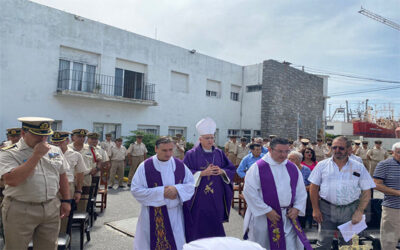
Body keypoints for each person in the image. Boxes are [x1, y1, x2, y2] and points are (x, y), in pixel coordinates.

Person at [0, 117, 71, 250]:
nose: (42, 139)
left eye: (45, 135)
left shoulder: (55, 150)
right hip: (20, 208)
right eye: (37, 135)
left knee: (49, 247)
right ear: (23, 133)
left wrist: (67, 200)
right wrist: (36, 156)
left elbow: (62, 176)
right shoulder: (9, 152)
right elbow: (11, 180)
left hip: (50, 206)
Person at [243, 138, 311, 249]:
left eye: (286, 151)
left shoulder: (292, 167)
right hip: (265, 217)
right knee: (264, 246)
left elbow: (301, 191)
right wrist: (266, 210)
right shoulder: (258, 168)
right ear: (269, 149)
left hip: (287, 216)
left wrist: (297, 208)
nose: (284, 155)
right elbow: (249, 192)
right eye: (280, 151)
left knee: (289, 246)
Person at [308, 136, 376, 249]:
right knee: (323, 243)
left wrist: (359, 211)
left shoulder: (358, 167)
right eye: (334, 147)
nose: (337, 150)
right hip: (326, 209)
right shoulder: (322, 165)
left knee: (347, 244)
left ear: (349, 149)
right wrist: (315, 209)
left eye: (341, 148)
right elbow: (313, 188)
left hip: (350, 210)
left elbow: (366, 191)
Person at [131, 137, 194, 250]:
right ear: (156, 149)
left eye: (171, 150)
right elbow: (136, 190)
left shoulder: (180, 165)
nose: (169, 153)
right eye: (164, 150)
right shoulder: (145, 167)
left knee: (176, 243)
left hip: (175, 214)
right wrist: (161, 193)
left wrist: (177, 189)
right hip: (151, 215)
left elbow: (190, 185)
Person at [183, 117, 236, 242]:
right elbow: (183, 173)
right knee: (198, 223)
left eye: (212, 137)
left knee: (215, 222)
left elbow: (231, 169)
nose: (210, 140)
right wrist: (201, 173)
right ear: (200, 139)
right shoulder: (191, 154)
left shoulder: (219, 153)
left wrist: (222, 171)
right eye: (207, 138)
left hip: (216, 195)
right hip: (198, 197)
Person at [50, 131, 86, 233]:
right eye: (55, 143)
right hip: (52, 185)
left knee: (65, 214)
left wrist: (78, 191)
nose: (58, 145)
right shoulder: (49, 154)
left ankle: (62, 238)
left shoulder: (76, 155)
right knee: (51, 214)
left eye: (61, 142)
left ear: (67, 141)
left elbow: (80, 174)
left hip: (68, 186)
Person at [373, 142, 400, 250]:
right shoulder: (384, 165)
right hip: (392, 209)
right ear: (392, 152)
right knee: (389, 241)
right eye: (399, 152)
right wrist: (397, 192)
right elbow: (376, 184)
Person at [288, 151, 312, 229]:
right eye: (289, 159)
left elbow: (311, 185)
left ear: (299, 160)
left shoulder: (306, 170)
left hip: (302, 195)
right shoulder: (285, 169)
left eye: (293, 159)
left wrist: (300, 189)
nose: (290, 161)